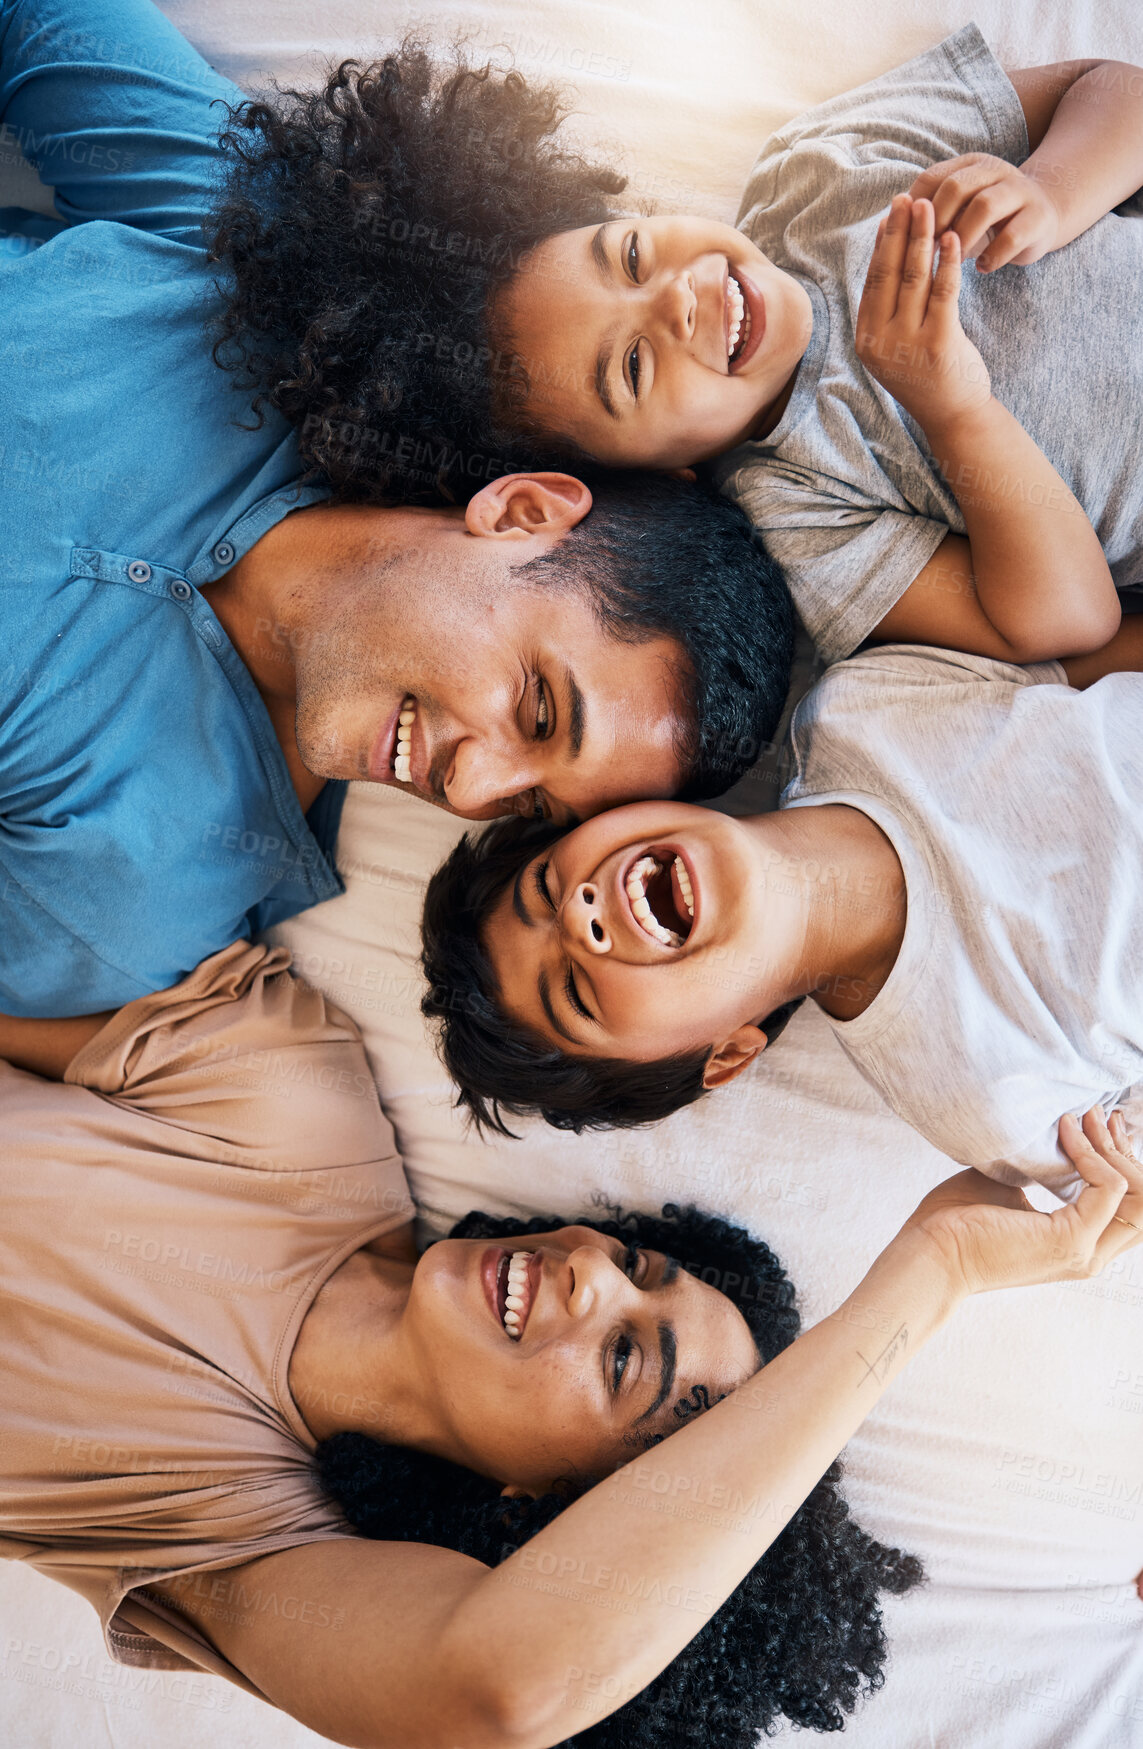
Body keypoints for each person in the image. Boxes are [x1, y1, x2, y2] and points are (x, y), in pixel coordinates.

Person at [2, 943, 1139, 1746]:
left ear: (529, 1508)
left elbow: (498, 1691)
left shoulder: (242, 1549)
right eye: (640, 1266)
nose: (589, 1274)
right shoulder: (294, 1104)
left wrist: (930, 1274)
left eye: (622, 1361)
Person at [0, 0, 792, 1019]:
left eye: (529, 806)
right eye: (537, 710)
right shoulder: (278, 270)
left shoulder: (139, 896)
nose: (469, 791)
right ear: (522, 512)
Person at [218, 31, 1143, 666]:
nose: (674, 300)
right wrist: (954, 410)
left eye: (626, 255)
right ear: (662, 475)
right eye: (629, 368)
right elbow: (1067, 620)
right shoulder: (798, 517)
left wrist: (1054, 190)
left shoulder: (818, 169)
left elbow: (1111, 88)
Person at [421, 637, 1143, 1197]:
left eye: (548, 887)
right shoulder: (982, 1096)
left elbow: (1094, 654)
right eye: (575, 994)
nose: (582, 916)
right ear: (728, 1053)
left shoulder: (855, 708)